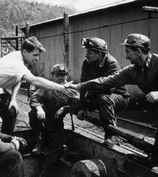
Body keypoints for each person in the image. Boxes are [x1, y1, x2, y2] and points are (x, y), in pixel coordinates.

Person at [66, 33, 158, 165]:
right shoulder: (132, 71)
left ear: (138, 51)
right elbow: (105, 81)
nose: (126, 56)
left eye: (128, 52)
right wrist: (79, 86)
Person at [0, 36, 76, 135]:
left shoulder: (18, 56)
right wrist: (62, 88)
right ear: (25, 52)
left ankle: (7, 138)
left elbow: (17, 79)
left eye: (38, 55)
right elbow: (34, 80)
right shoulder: (17, 64)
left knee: (11, 112)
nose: (37, 58)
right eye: (35, 55)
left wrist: (13, 99)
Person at [74, 37, 129, 147]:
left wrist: (89, 95)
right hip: (98, 94)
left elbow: (109, 88)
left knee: (103, 98)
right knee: (73, 101)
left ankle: (112, 136)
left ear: (99, 53)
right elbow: (83, 85)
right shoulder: (87, 63)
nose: (86, 56)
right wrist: (82, 107)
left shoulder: (112, 64)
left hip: (119, 97)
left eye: (89, 53)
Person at [28, 64, 79, 176]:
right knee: (33, 113)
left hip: (56, 123)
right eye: (58, 75)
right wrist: (39, 108)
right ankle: (39, 141)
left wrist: (65, 108)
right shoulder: (47, 87)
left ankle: (43, 170)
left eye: (63, 75)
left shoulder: (71, 89)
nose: (61, 78)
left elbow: (78, 105)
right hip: (43, 121)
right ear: (52, 76)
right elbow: (34, 98)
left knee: (57, 148)